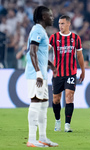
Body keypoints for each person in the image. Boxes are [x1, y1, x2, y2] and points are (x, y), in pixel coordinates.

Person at [25, 6, 58, 147]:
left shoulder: (42, 31)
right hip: (35, 75)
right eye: (50, 15)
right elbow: (32, 52)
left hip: (42, 74)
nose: (52, 17)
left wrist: (50, 64)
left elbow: (41, 54)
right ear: (44, 17)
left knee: (44, 106)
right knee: (35, 104)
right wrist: (38, 73)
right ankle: (31, 139)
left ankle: (43, 137)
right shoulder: (37, 30)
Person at [49, 15, 85, 132]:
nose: (60, 26)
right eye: (59, 23)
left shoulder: (75, 38)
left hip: (71, 73)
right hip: (57, 74)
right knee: (56, 99)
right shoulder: (54, 37)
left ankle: (67, 125)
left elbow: (79, 56)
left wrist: (83, 71)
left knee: (69, 97)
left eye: (63, 23)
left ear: (69, 24)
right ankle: (58, 120)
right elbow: (46, 51)